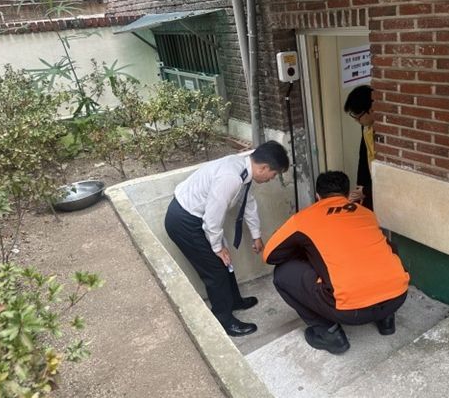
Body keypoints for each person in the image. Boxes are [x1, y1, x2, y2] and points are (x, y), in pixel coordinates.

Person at [263, 171, 409, 354]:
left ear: (317, 196)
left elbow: (269, 255)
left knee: (282, 274)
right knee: (386, 248)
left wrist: (304, 251)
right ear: (347, 194)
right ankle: (386, 320)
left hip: (350, 312)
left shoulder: (303, 219)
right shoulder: (366, 213)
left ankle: (330, 334)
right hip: (397, 298)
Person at [164, 140, 289, 337]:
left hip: (197, 218)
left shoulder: (243, 170)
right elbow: (213, 217)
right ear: (264, 168)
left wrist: (256, 235)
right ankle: (224, 320)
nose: (271, 179)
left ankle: (234, 301)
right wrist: (216, 247)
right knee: (215, 270)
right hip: (184, 221)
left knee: (225, 261)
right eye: (273, 175)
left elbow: (248, 203)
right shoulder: (231, 177)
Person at [343, 85, 375, 210]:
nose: (356, 120)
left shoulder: (386, 129)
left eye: (358, 116)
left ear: (371, 109)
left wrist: (366, 190)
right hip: (370, 183)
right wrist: (360, 187)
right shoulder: (366, 126)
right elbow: (363, 157)